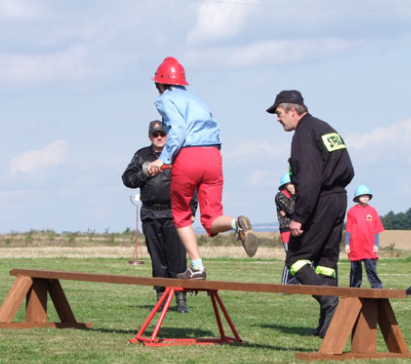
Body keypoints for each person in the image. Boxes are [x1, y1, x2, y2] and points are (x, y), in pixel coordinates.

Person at [146, 56, 257, 280]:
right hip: (213, 156)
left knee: (181, 216)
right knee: (211, 219)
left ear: (160, 84)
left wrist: (163, 159)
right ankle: (237, 224)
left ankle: (197, 267)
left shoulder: (166, 99)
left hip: (189, 156)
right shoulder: (197, 100)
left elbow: (177, 131)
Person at [266, 90, 355, 337]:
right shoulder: (325, 128)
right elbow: (348, 168)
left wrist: (299, 216)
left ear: (292, 111)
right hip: (339, 198)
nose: (277, 118)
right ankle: (328, 327)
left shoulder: (304, 134)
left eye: (279, 113)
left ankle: (330, 300)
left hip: (321, 199)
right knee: (326, 263)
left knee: (295, 258)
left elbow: (309, 178)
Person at [122, 120, 195, 313]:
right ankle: (161, 296)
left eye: (162, 133)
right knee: (157, 257)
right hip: (150, 213)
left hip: (174, 212)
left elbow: (190, 184)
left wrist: (192, 211)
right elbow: (127, 179)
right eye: (155, 135)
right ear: (150, 137)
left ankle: (180, 297)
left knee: (177, 256)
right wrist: (144, 173)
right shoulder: (141, 155)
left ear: (168, 135)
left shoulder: (177, 155)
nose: (160, 137)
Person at [345, 184, 384, 289]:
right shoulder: (352, 212)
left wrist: (376, 244)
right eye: (362, 196)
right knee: (355, 269)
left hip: (369, 246)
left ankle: (377, 288)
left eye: (367, 196)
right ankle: (354, 288)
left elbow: (377, 229)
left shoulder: (372, 211)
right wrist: (347, 244)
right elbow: (348, 229)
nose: (365, 198)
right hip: (355, 245)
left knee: (371, 268)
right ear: (357, 197)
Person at [275, 172, 298, 285]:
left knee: (298, 258)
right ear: (284, 185)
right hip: (286, 231)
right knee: (291, 257)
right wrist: (294, 197)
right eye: (290, 183)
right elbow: (291, 210)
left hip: (297, 230)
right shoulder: (280, 196)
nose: (292, 185)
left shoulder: (296, 196)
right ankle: (285, 284)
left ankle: (294, 284)